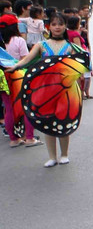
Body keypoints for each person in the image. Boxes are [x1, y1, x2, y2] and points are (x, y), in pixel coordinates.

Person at [6, 13, 83, 167]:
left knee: (63, 121)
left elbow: (79, 66)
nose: (57, 27)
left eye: (60, 24)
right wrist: (14, 66)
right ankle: (52, 157)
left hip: (65, 90)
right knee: (47, 122)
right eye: (54, 24)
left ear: (65, 26)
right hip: (45, 90)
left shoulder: (71, 47)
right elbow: (26, 60)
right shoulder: (41, 45)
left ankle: (64, 154)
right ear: (49, 26)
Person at [0, 14, 40, 147]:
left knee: (9, 108)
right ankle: (29, 137)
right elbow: (25, 59)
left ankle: (13, 139)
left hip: (2, 77)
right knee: (26, 106)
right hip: (18, 75)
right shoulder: (18, 40)